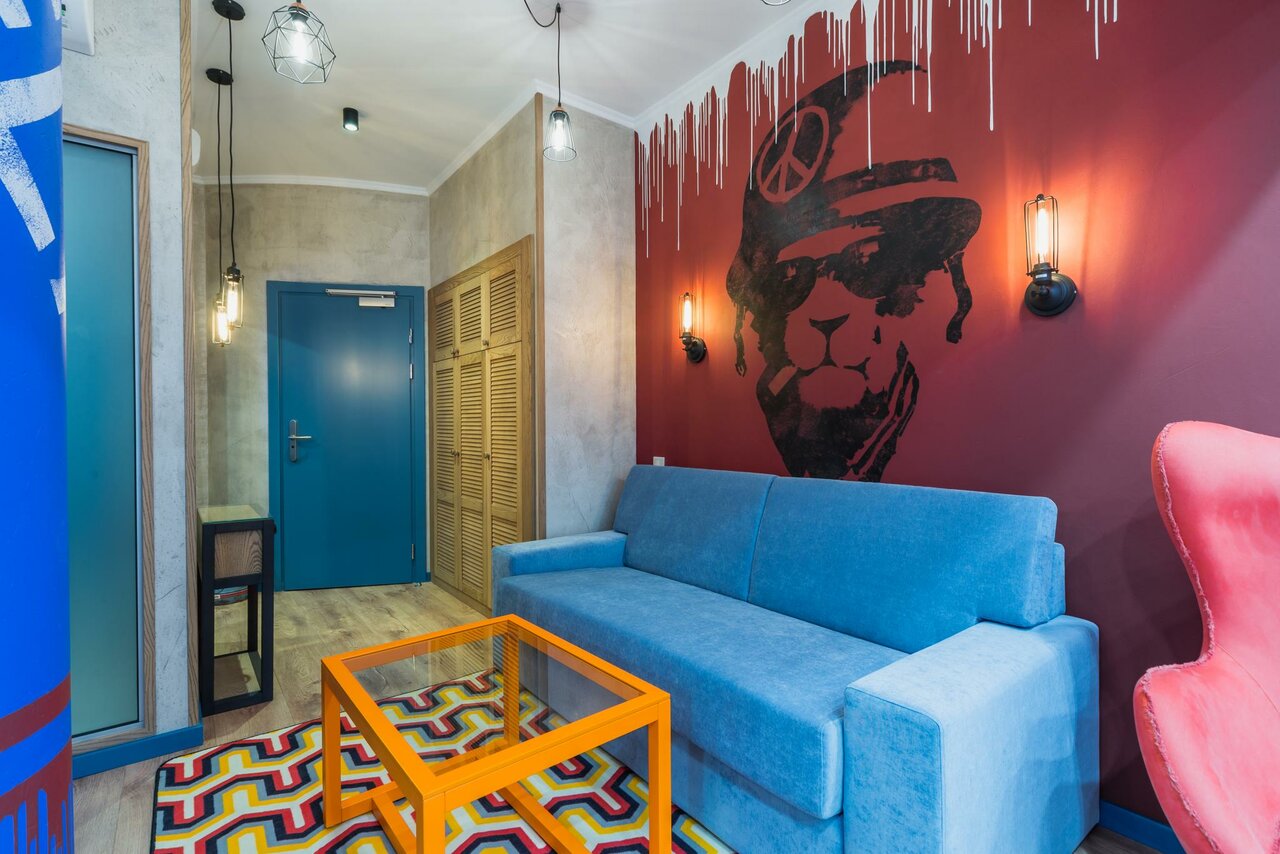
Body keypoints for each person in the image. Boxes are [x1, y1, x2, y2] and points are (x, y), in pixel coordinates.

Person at [727, 61, 982, 481]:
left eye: (868, 258)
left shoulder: (942, 420)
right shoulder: (780, 405)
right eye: (792, 276)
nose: (824, 308)